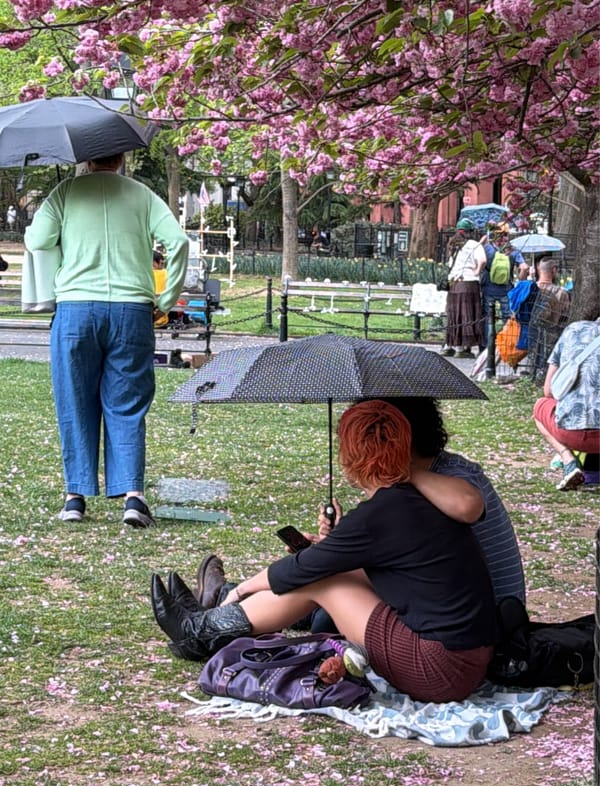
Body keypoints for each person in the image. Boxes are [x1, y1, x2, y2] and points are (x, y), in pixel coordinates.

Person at [152, 400, 496, 703]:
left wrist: (243, 588)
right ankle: (210, 617)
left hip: (439, 669)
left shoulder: (381, 513)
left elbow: (303, 569)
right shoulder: (415, 502)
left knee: (323, 580)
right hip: (466, 662)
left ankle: (198, 631)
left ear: (352, 456)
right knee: (327, 573)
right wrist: (333, 546)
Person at [25, 152, 189, 526]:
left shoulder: (65, 193)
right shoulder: (142, 194)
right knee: (128, 402)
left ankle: (75, 498)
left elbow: (37, 239)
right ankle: (133, 497)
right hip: (132, 310)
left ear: (84, 157)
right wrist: (165, 299)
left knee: (75, 400)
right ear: (121, 156)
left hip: (76, 308)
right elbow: (177, 242)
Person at [533, 309, 600, 490]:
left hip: (572, 434)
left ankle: (568, 460)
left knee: (540, 406)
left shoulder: (573, 330)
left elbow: (549, 391)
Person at [440, 219, 486, 358]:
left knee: (455, 315)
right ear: (470, 232)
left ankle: (450, 345)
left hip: (454, 284)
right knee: (467, 315)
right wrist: (477, 271)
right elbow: (482, 260)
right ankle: (462, 349)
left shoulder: (453, 244)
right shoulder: (473, 244)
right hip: (469, 283)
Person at [481, 228, 528, 346]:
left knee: (487, 317)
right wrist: (521, 279)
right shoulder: (514, 251)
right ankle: (507, 344)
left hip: (488, 286)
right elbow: (524, 267)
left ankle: (487, 346)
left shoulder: (487, 248)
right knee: (507, 316)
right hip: (506, 288)